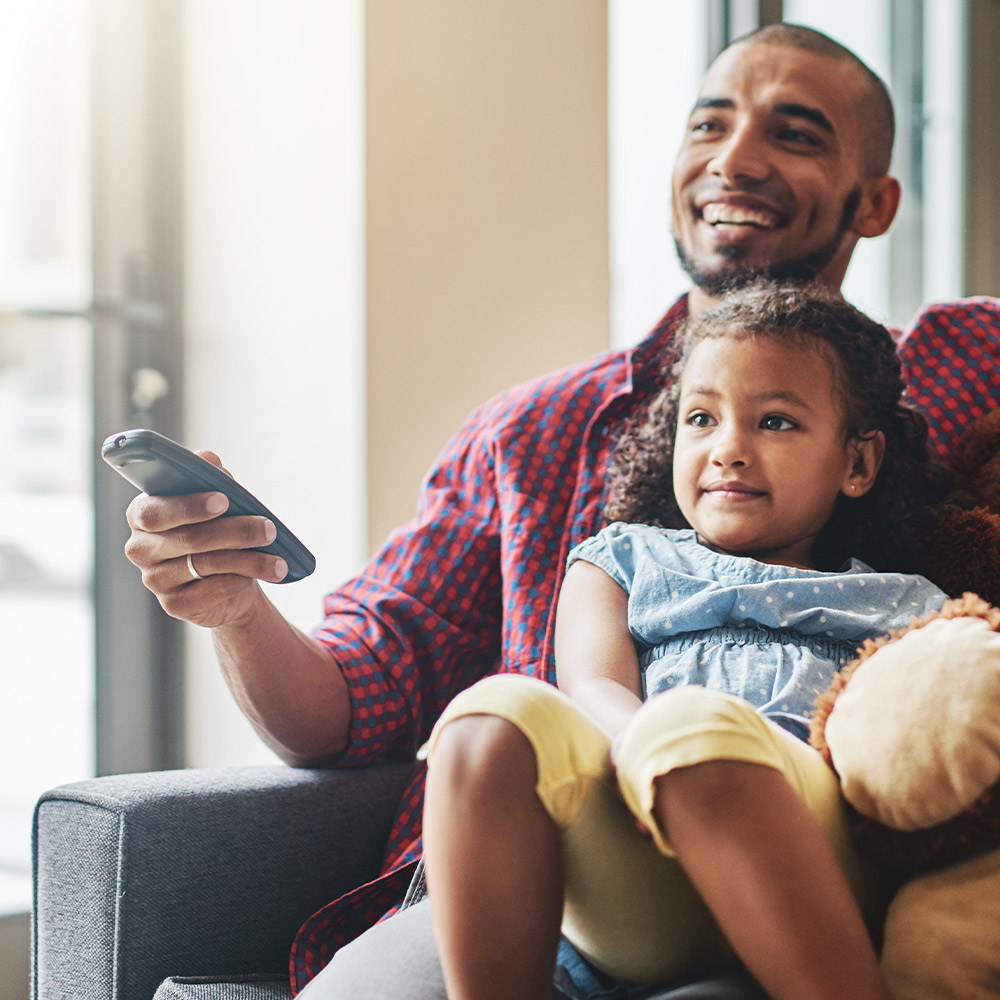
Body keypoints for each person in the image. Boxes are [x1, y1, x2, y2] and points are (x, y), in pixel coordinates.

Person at [120, 21, 1000, 997]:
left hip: (802, 857)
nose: (735, 158)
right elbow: (347, 701)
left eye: (793, 135)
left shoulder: (947, 373)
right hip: (542, 876)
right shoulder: (530, 432)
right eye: (708, 124)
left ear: (873, 202)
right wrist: (238, 610)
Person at [421, 281, 950, 1000]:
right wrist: (646, 751)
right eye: (702, 418)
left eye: (776, 424)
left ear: (857, 463)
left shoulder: (910, 606)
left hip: (817, 859)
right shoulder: (620, 560)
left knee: (693, 723)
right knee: (488, 719)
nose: (727, 449)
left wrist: (680, 739)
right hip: (636, 865)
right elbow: (592, 687)